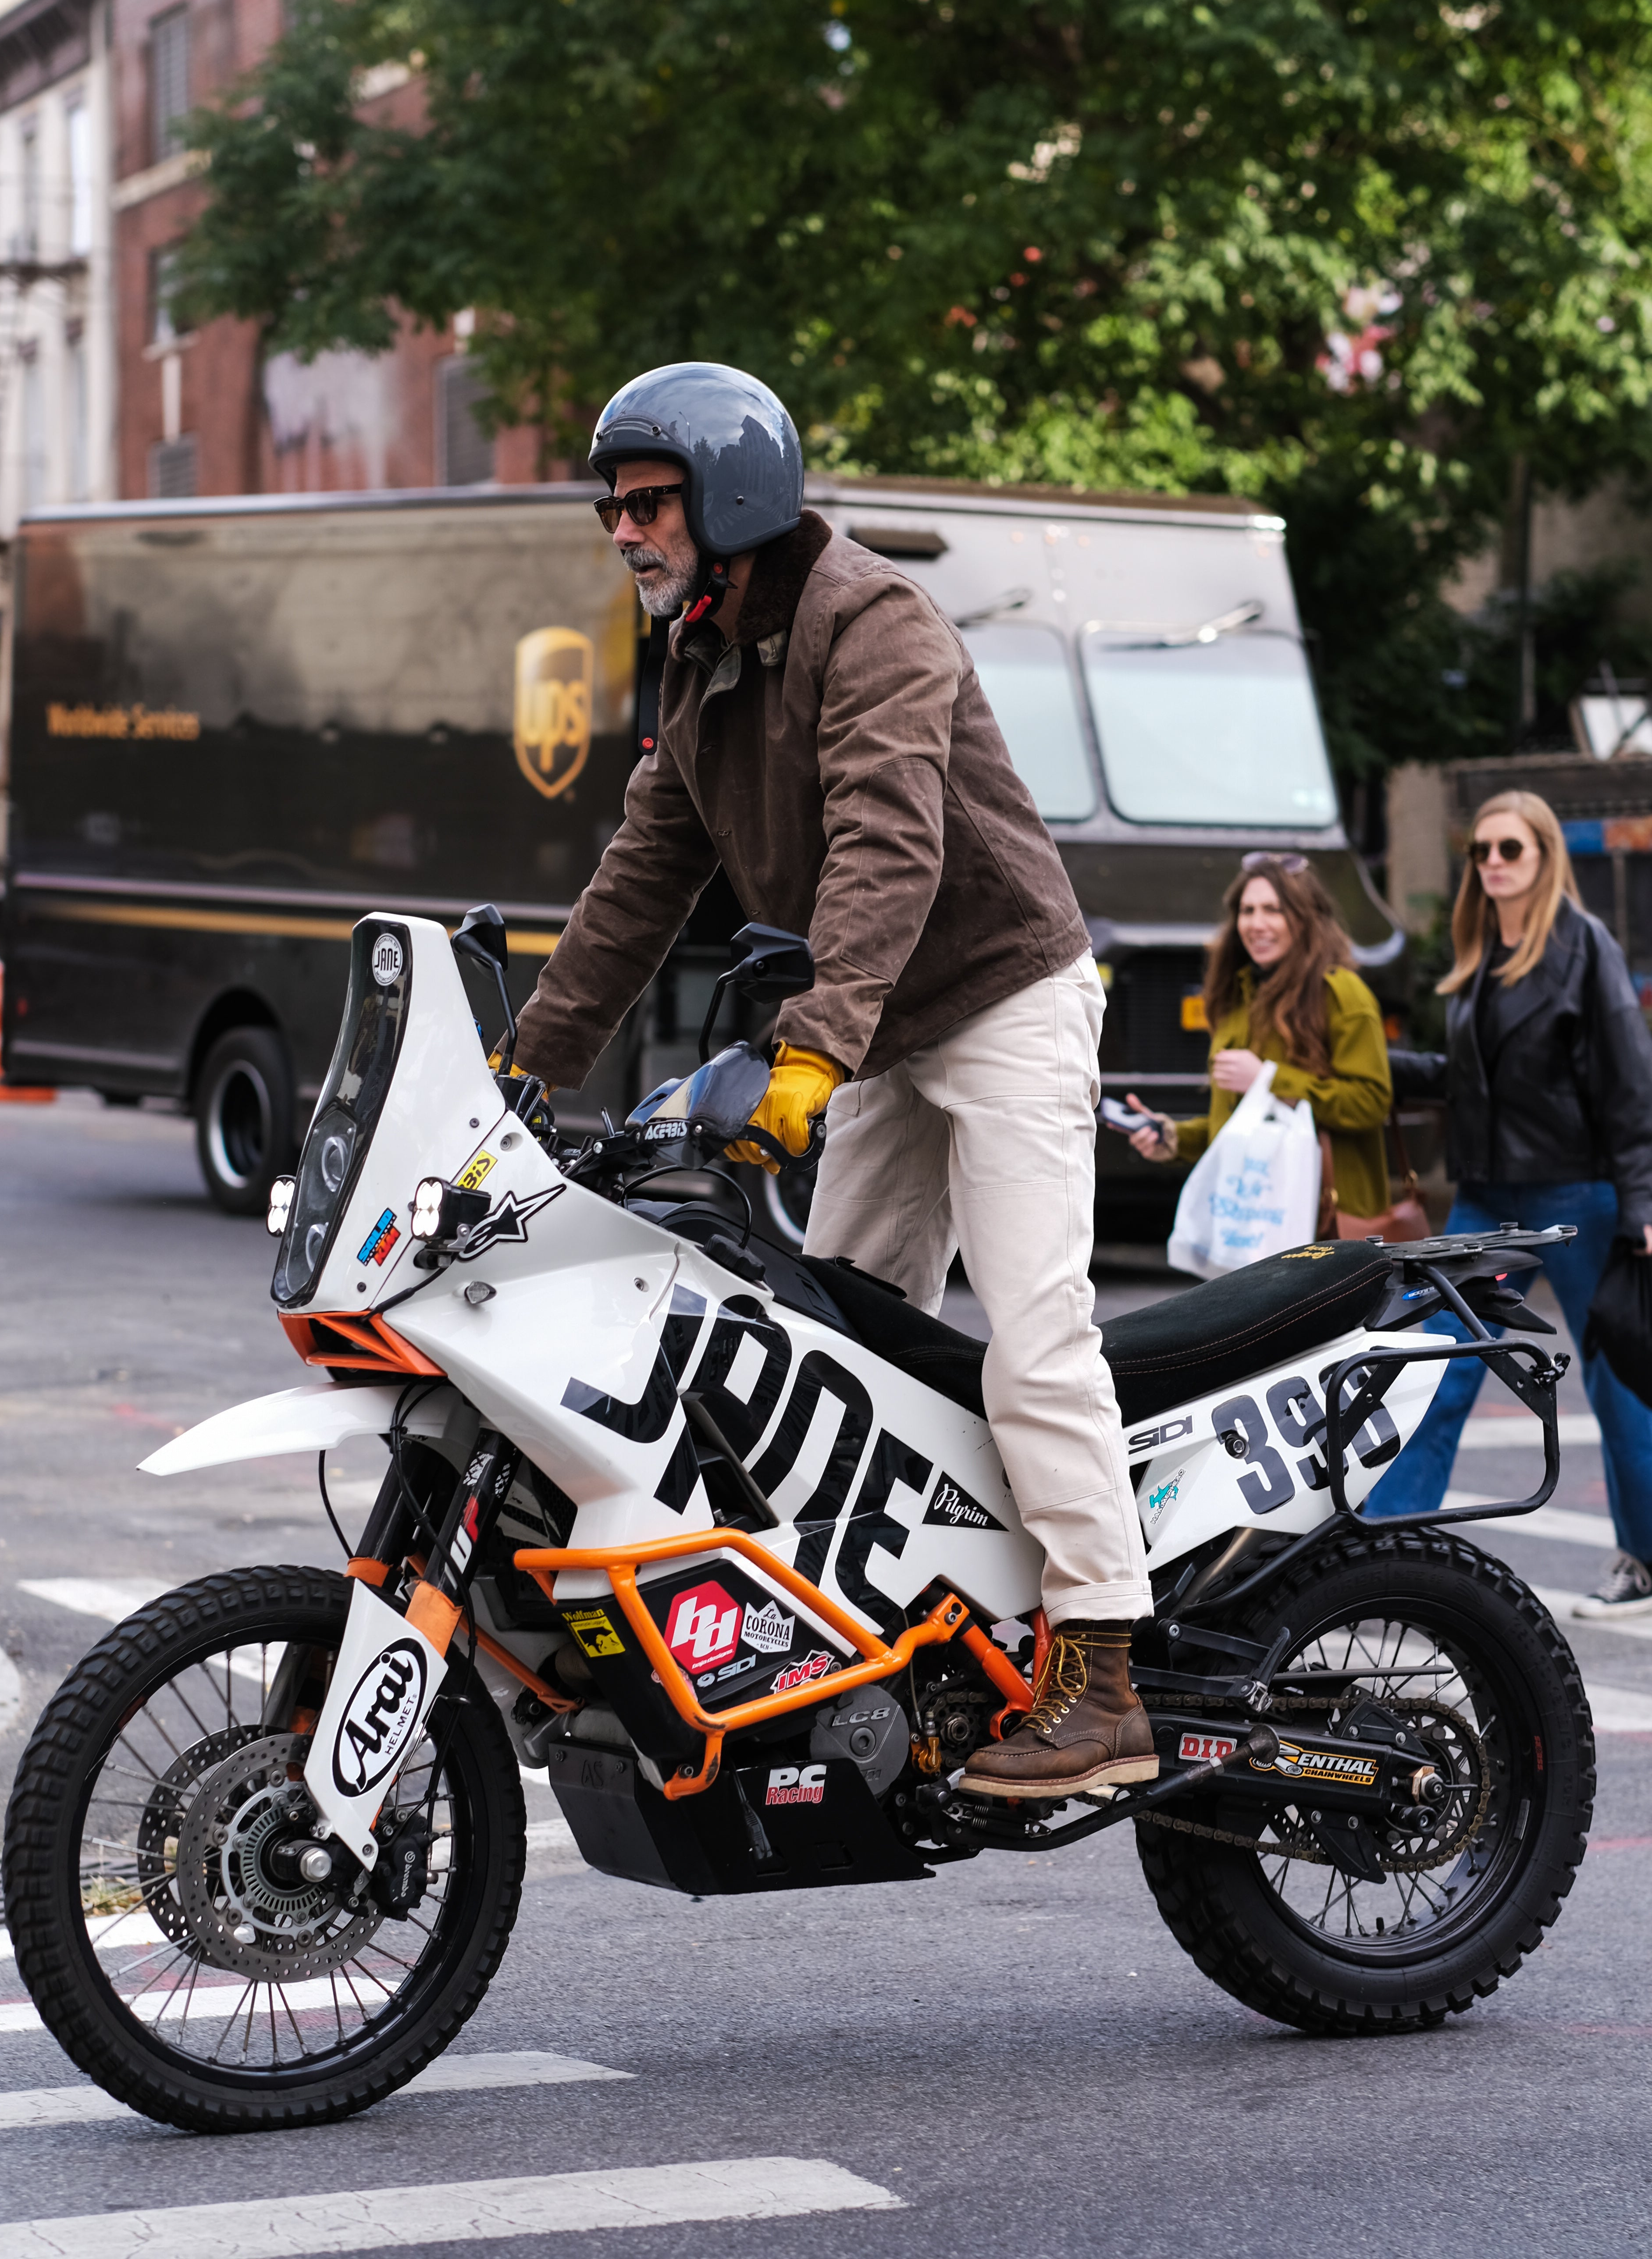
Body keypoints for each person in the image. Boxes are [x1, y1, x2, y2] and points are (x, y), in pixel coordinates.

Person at [508, 359, 1156, 1797]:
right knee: (835, 1348)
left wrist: (809, 1056)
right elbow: (638, 884)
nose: (623, 531)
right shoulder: (696, 659)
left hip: (1001, 997)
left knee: (1035, 1336)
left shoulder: (875, 623)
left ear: (734, 497)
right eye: (612, 508)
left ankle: (1103, 1675)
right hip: (878, 1028)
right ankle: (916, 1636)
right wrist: (522, 1071)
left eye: (649, 503)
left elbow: (887, 850)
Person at [1360, 790, 1652, 1617]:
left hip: (1579, 1193)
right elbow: (1474, 1082)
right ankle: (1383, 1556)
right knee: (1439, 1364)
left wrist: (1641, 1204)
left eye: (1509, 849)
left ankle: (1647, 1562)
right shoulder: (1480, 952)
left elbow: (1629, 1082)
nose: (1492, 862)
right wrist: (1376, 1069)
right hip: (1490, 1198)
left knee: (1620, 1377)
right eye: (1482, 851)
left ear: (1544, 856)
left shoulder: (1583, 948)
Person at [1124, 854, 1395, 1227]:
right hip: (1255, 1226)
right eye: (1248, 911)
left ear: (1306, 918)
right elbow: (1239, 1128)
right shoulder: (1236, 1000)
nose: (1257, 924)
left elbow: (1370, 1103)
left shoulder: (1342, 993)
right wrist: (1172, 1137)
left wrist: (1268, 1079)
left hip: (1326, 1229)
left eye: (1274, 910)